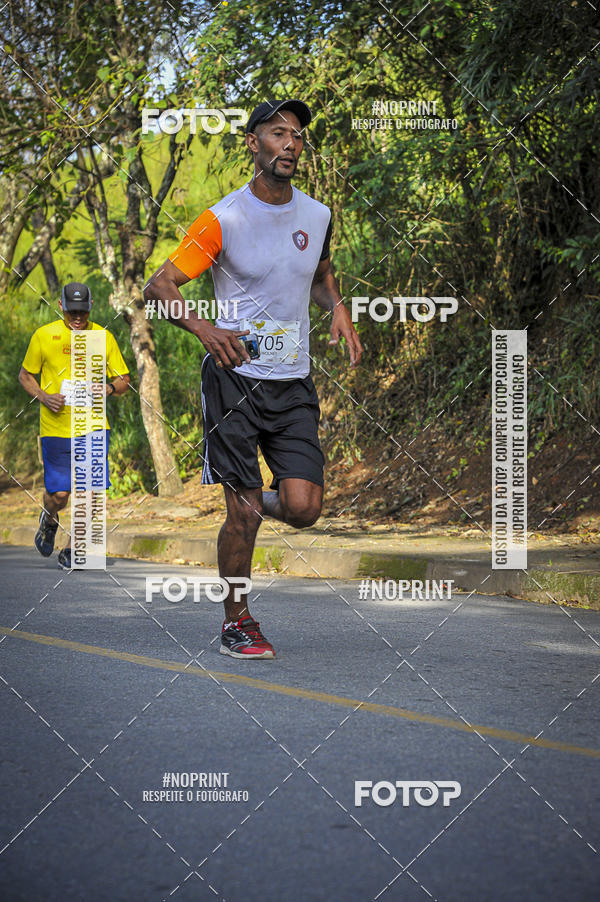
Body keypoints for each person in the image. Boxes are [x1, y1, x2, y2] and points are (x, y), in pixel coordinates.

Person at [145, 99, 362, 658]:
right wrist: (202, 328)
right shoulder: (223, 218)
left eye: (297, 136)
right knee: (242, 514)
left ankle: (246, 502)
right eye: (277, 133)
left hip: (292, 381)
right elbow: (159, 286)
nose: (290, 144)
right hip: (234, 379)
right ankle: (237, 620)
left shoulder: (317, 216)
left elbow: (318, 271)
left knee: (304, 507)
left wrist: (335, 304)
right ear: (253, 143)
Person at [19, 281, 130, 569]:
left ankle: (73, 547)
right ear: (61, 307)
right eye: (72, 312)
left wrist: (107, 389)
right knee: (60, 495)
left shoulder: (103, 337)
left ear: (91, 306)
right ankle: (49, 517)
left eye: (82, 311)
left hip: (93, 426)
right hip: (56, 428)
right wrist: (44, 397)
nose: (77, 318)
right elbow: (25, 376)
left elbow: (123, 381)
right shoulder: (44, 336)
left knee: (91, 492)